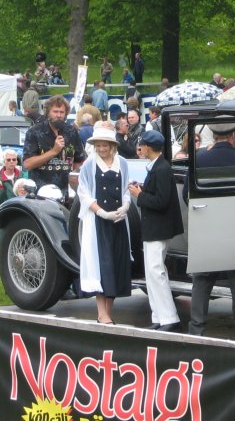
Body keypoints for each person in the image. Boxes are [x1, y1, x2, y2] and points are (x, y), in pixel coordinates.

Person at [190, 120, 235, 342]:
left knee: (202, 280)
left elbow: (187, 196)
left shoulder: (199, 160)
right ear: (232, 136)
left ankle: (197, 330)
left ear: (214, 134)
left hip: (207, 229)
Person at [128, 130, 184, 332]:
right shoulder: (159, 166)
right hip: (155, 228)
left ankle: (169, 317)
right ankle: (159, 315)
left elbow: (161, 201)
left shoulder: (161, 169)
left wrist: (139, 195)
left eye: (141, 145)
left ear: (148, 147)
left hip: (158, 228)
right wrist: (143, 190)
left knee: (156, 272)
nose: (139, 148)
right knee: (152, 273)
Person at [77, 124, 132, 324]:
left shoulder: (123, 163)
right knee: (101, 266)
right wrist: (101, 212)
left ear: (112, 145)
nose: (101, 149)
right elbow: (83, 193)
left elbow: (126, 188)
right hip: (98, 223)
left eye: (104, 146)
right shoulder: (89, 165)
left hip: (118, 221)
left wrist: (125, 206)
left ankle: (109, 311)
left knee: (116, 265)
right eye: (98, 145)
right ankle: (101, 313)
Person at [23, 94, 86, 195]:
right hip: (40, 194)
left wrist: (76, 176)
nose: (59, 115)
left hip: (66, 193)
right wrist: (54, 151)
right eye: (55, 112)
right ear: (48, 112)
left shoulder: (72, 131)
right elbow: (27, 164)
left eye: (62, 112)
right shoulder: (34, 132)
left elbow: (80, 161)